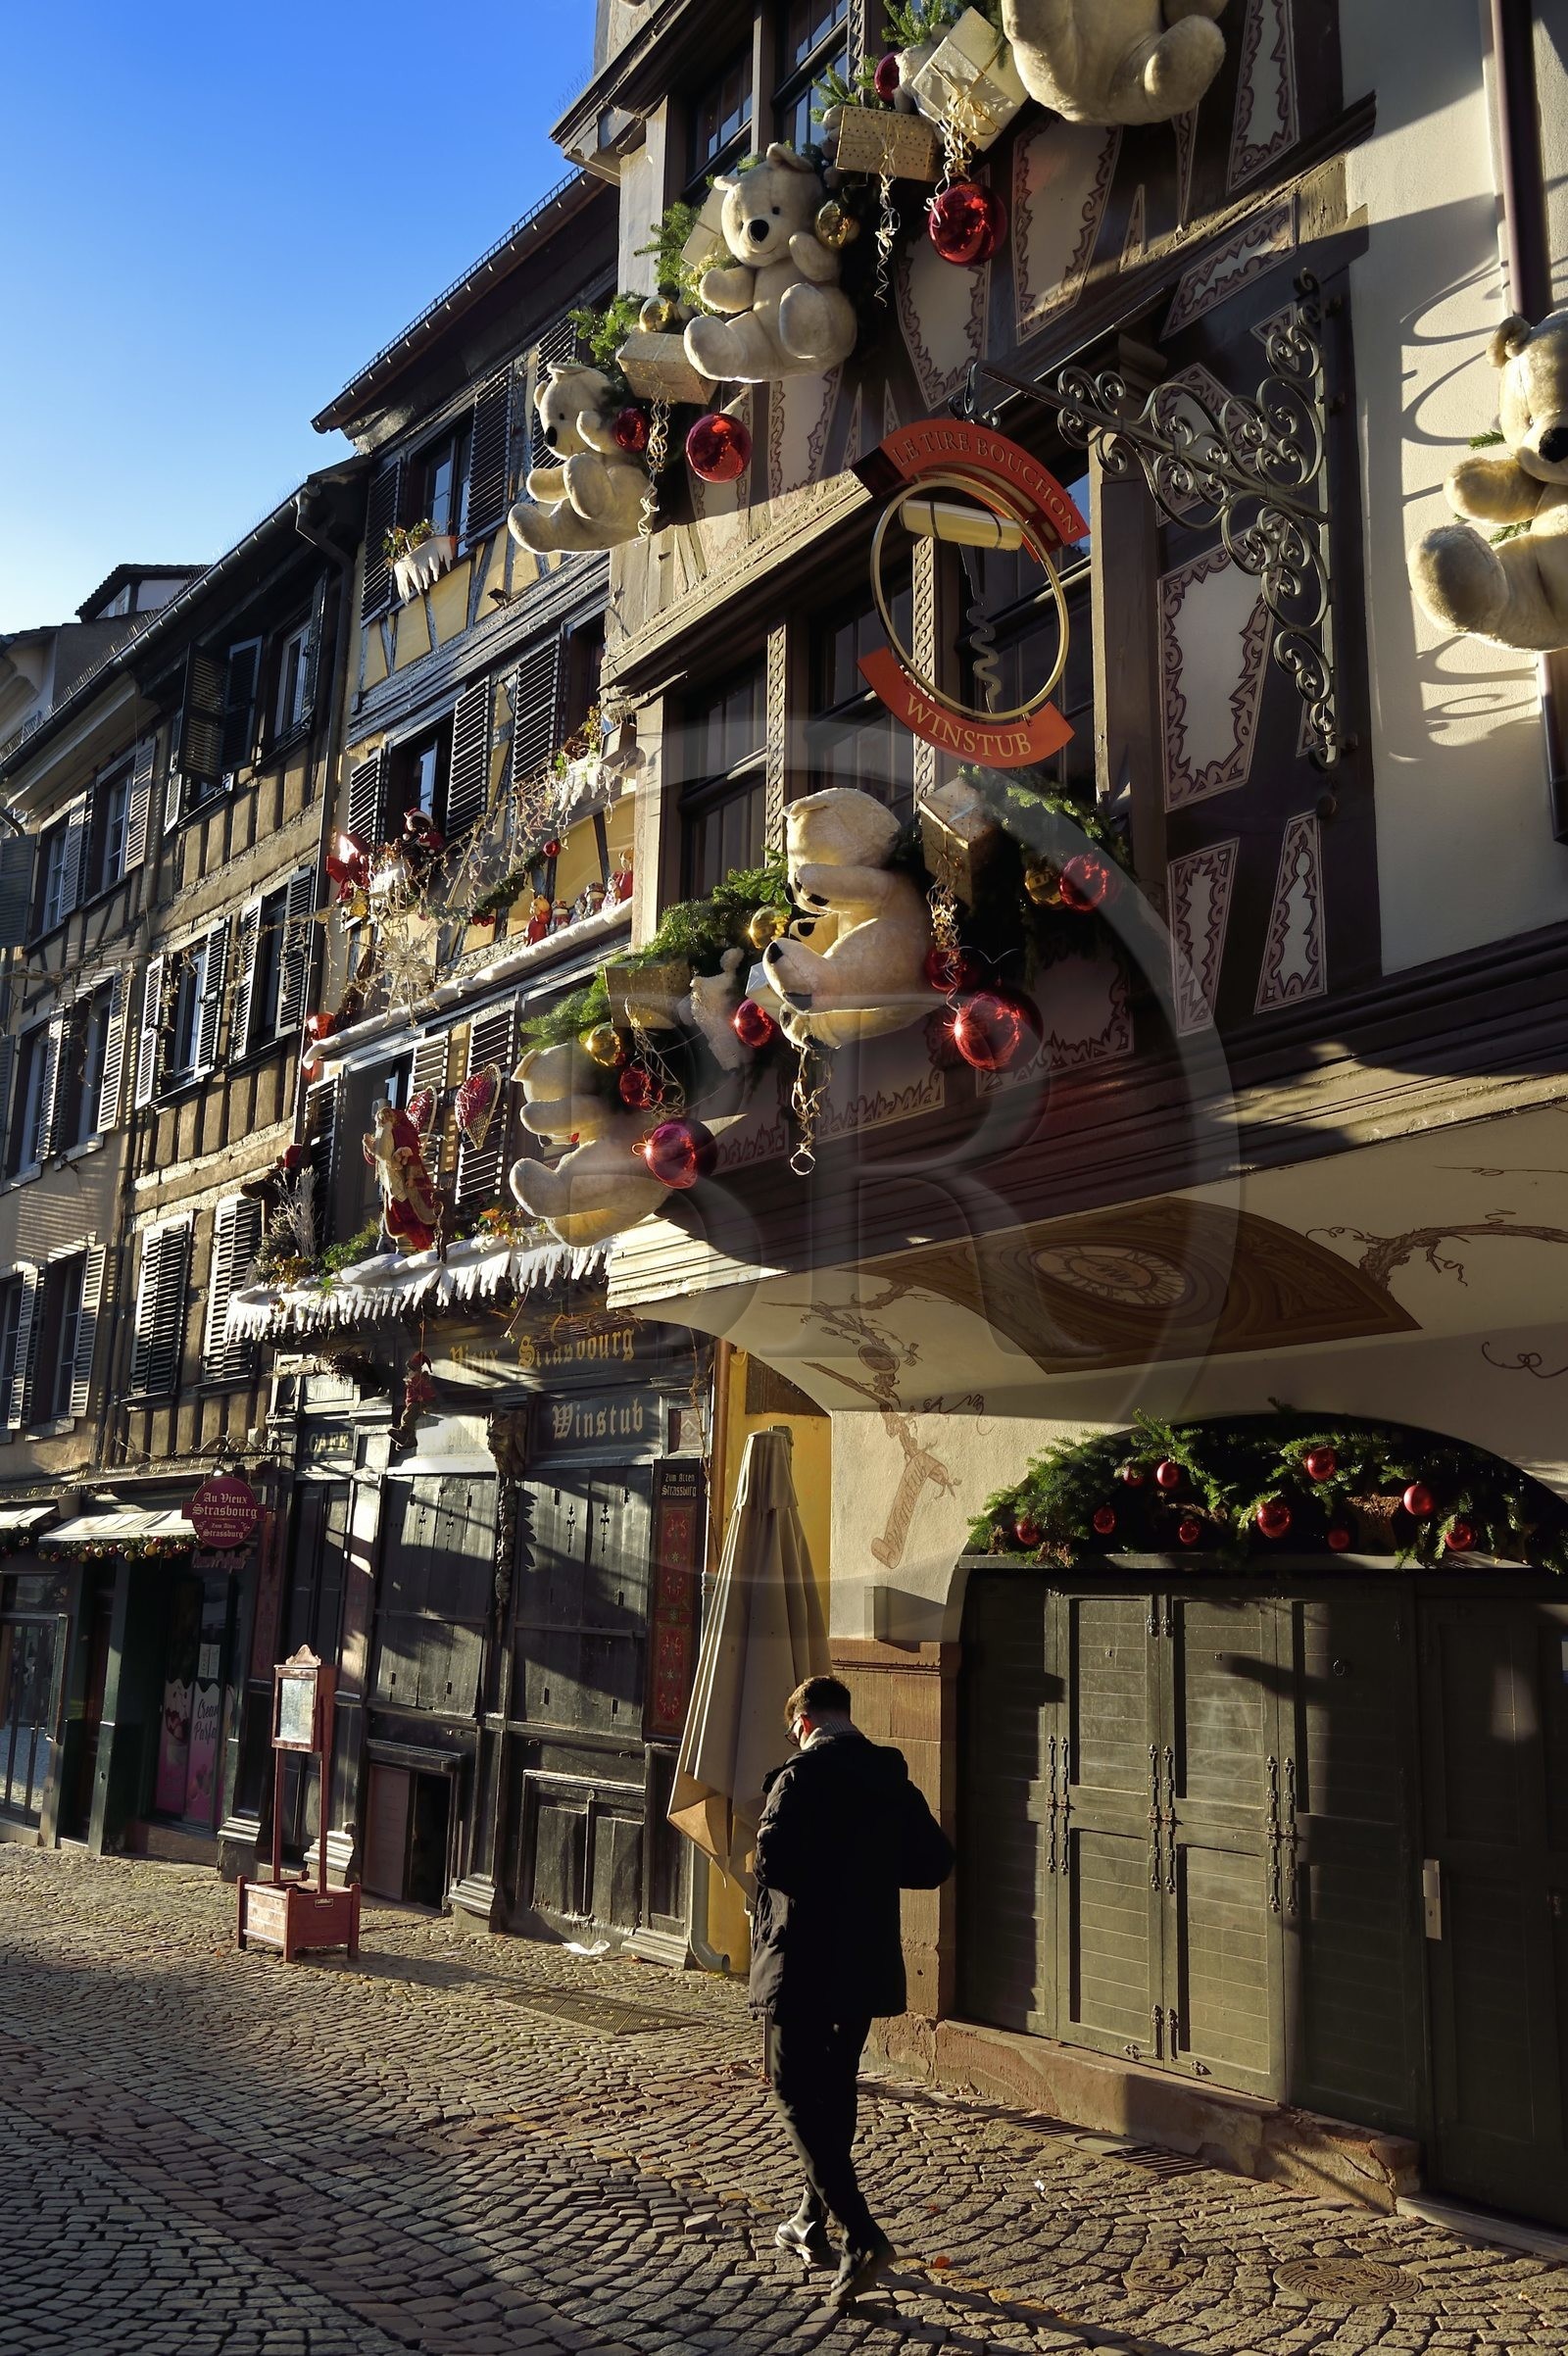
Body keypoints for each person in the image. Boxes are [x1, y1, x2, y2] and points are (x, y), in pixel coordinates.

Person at [750, 1672, 955, 2308]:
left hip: (801, 1962)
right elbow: (933, 1864)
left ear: (804, 1723)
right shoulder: (890, 1778)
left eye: (793, 1730)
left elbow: (773, 1865)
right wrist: (866, 1867)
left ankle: (862, 2235)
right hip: (863, 1964)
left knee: (791, 2089)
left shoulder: (799, 1778)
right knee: (833, 2089)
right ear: (847, 1716)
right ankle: (812, 2216)